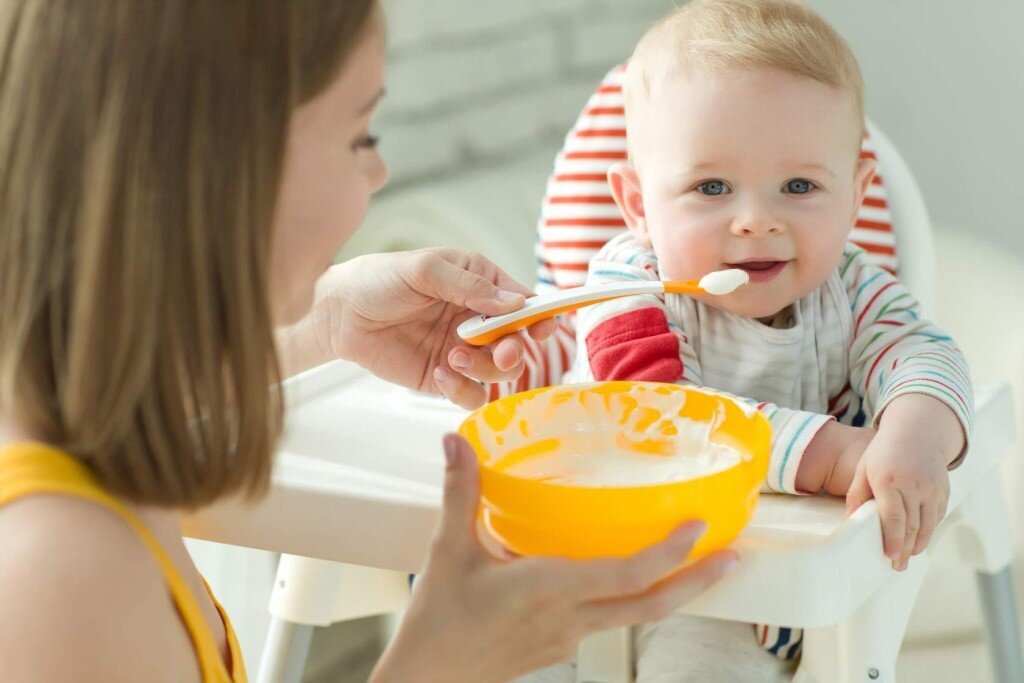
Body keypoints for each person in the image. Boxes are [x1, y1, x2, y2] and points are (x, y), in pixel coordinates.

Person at [0, 2, 739, 682]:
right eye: (361, 135)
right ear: (224, 168)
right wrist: (439, 663)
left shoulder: (95, 443)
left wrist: (329, 322)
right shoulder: (64, 576)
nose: (378, 169)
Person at [536, 0, 973, 680]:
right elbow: (656, 417)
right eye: (711, 186)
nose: (755, 220)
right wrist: (828, 455)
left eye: (799, 185)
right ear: (637, 207)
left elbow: (924, 352)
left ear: (856, 198)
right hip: (595, 573)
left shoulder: (852, 289)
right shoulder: (625, 292)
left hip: (748, 594)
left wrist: (915, 433)